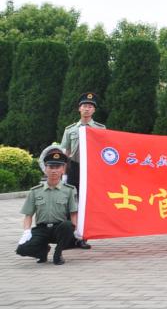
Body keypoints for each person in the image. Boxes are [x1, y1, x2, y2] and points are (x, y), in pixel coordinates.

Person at [58, 91, 104, 249]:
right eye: (84, 106)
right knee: (70, 203)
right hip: (74, 168)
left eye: (90, 106)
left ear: (94, 110)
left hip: (91, 170)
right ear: (79, 109)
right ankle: (67, 237)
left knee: (86, 205)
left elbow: (105, 152)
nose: (87, 109)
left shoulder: (101, 129)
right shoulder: (70, 130)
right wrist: (63, 175)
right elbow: (65, 153)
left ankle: (82, 237)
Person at [16, 147, 77, 265]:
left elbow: (73, 212)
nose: (54, 171)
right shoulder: (35, 191)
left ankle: (58, 254)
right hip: (42, 229)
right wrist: (26, 231)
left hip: (59, 229)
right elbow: (28, 215)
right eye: (51, 167)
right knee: (22, 249)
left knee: (68, 226)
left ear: (63, 169)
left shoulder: (69, 190)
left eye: (57, 167)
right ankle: (43, 251)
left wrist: (76, 230)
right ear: (45, 169)